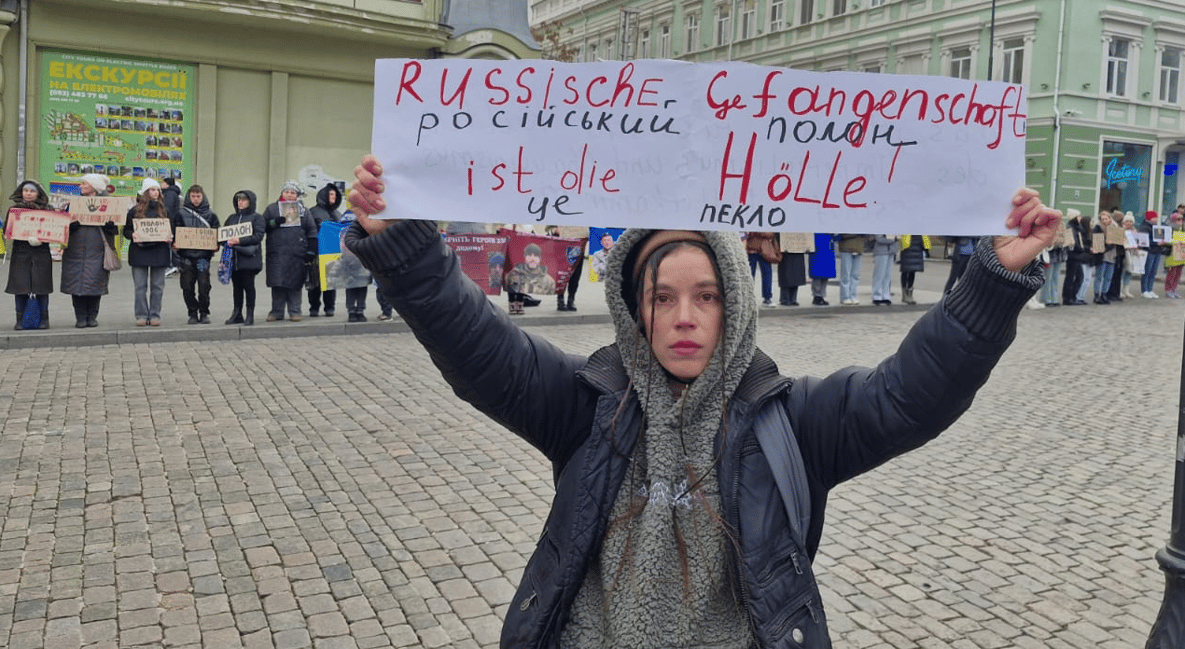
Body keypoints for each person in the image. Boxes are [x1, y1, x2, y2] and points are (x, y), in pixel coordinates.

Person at [344, 153, 1060, 649]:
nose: (684, 316)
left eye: (706, 296)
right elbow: (479, 349)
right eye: (663, 297)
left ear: (735, 309)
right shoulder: (587, 405)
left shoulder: (795, 422)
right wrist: (403, 245)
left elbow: (911, 397)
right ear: (636, 311)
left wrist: (993, 279)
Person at [61, 174, 119, 328]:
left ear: (94, 187)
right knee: (76, 284)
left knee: (95, 284)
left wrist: (110, 226)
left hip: (98, 249)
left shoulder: (109, 203)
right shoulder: (73, 203)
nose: (80, 186)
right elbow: (61, 224)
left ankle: (92, 316)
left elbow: (117, 228)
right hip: (75, 250)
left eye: (84, 183)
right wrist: (70, 226)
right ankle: (80, 317)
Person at [263, 180, 319, 321]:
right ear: (282, 193)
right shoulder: (272, 209)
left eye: (292, 192)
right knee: (278, 283)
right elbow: (262, 226)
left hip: (297, 253)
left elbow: (312, 231)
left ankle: (295, 311)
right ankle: (276, 311)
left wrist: (311, 251)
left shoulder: (304, 211)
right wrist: (274, 222)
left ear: (297, 195)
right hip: (276, 253)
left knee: (295, 283)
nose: (289, 195)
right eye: (286, 192)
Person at [124, 177, 175, 326]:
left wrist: (171, 236)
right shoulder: (134, 211)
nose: (156, 192)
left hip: (159, 252)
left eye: (158, 190)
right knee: (140, 287)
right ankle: (141, 315)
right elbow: (126, 231)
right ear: (146, 192)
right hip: (139, 253)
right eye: (153, 189)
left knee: (157, 287)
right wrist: (132, 236)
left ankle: (155, 315)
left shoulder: (165, 211)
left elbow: (172, 229)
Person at [5, 180, 55, 329]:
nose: (28, 193)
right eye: (25, 190)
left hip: (41, 252)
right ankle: (20, 319)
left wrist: (43, 238)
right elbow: (8, 231)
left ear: (38, 193)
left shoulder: (48, 210)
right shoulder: (14, 209)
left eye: (32, 191)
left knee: (41, 287)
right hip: (21, 253)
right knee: (20, 287)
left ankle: (44, 319)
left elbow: (54, 230)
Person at [174, 184, 220, 323]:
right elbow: (175, 231)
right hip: (186, 257)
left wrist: (216, 245)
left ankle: (204, 312)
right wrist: (175, 244)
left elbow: (217, 232)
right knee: (187, 286)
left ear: (202, 196)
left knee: (204, 286)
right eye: (193, 196)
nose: (195, 199)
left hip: (203, 258)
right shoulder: (181, 214)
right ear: (189, 197)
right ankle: (192, 312)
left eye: (198, 196)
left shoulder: (211, 215)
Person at [223, 190, 266, 325]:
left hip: (249, 258)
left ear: (250, 202)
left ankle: (250, 314)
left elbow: (258, 236)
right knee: (237, 287)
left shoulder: (257, 218)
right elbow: (223, 234)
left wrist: (239, 241)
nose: (240, 202)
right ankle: (237, 313)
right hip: (234, 259)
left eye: (243, 200)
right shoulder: (232, 218)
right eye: (238, 200)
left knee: (248, 286)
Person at [307, 182, 345, 317]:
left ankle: (330, 307)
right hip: (318, 251)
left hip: (332, 251)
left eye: (335, 194)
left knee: (331, 282)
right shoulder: (313, 211)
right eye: (330, 194)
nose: (333, 196)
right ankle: (314, 307)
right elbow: (309, 231)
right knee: (315, 283)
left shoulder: (338, 213)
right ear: (324, 195)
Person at [505, 242, 557, 313]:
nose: (532, 259)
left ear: (540, 258)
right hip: (515, 279)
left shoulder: (549, 281)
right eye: (529, 255)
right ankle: (512, 304)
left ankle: (520, 304)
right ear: (525, 257)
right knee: (515, 278)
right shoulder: (514, 273)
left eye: (536, 256)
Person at [549, 225, 590, 311]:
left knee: (576, 272)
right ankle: (560, 299)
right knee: (562, 271)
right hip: (563, 238)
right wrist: (554, 228)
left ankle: (571, 299)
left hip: (580, 238)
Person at [775, 231, 813, 306]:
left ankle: (793, 298)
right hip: (786, 251)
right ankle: (785, 299)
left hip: (798, 250)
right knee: (786, 276)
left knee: (797, 276)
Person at [743, 232, 776, 306]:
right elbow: (747, 233)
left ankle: (767, 298)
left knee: (767, 274)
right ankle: (748, 298)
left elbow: (771, 234)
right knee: (750, 275)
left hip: (764, 250)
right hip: (752, 250)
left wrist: (758, 232)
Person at [1062, 210, 1088, 305]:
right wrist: (1081, 249)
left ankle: (1072, 296)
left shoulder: (1077, 228)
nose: (1080, 218)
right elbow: (1073, 243)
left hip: (1077, 255)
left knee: (1079, 276)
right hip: (1073, 255)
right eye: (1078, 216)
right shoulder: (1071, 228)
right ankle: (1068, 298)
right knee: (1071, 277)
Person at [1164, 209, 1185, 298]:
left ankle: (1174, 288)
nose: (1181, 222)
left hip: (1181, 255)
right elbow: (1166, 240)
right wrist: (1176, 242)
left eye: (1182, 220)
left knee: (1178, 273)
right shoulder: (1169, 230)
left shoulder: (1183, 230)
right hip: (1172, 255)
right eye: (1178, 220)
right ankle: (1168, 289)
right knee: (1171, 273)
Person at [1138, 210, 1163, 298]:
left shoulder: (1156, 227)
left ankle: (1150, 289)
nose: (1156, 219)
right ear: (1149, 218)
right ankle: (1144, 290)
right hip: (1149, 251)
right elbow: (1144, 240)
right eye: (1154, 217)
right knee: (1147, 271)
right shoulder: (1144, 227)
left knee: (1153, 271)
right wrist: (1156, 243)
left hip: (1157, 251)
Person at [899, 234, 929, 305]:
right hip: (908, 247)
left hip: (917, 247)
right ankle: (905, 295)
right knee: (905, 271)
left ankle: (909, 294)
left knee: (913, 271)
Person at [870, 234, 899, 305]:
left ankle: (885, 295)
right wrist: (893, 240)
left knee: (887, 275)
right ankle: (877, 295)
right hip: (881, 251)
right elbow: (879, 239)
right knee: (879, 274)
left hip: (891, 251)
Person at [808, 233, 836, 305]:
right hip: (818, 248)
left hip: (827, 249)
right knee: (818, 276)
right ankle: (817, 295)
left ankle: (821, 295)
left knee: (825, 275)